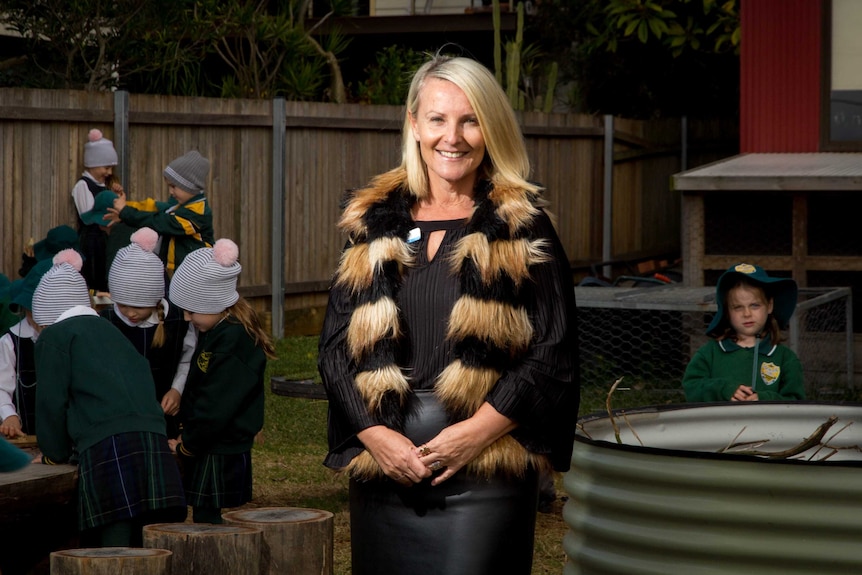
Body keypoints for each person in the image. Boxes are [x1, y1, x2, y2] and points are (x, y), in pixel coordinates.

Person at [317, 54, 579, 575]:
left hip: (486, 468)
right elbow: (335, 349)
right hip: (387, 467)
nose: (452, 137)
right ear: (414, 124)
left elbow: (553, 353)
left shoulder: (521, 226)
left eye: (470, 119)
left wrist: (474, 434)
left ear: (491, 127)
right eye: (438, 118)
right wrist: (375, 436)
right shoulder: (373, 222)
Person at [30, 249, 187, 547]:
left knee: (114, 534)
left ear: (47, 317)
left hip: (108, 442)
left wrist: (54, 452)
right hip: (152, 435)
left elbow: (51, 402)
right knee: (148, 530)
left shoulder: (56, 338)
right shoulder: (110, 329)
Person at [166, 238, 275, 524]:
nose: (188, 318)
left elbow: (216, 405)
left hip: (218, 445)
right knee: (204, 513)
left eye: (192, 311)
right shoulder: (217, 331)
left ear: (214, 302)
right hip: (210, 442)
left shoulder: (231, 342)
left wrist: (187, 444)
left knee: (206, 517)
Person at [101, 227, 196, 439]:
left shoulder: (176, 321)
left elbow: (187, 359)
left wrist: (177, 390)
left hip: (165, 418)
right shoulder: (105, 322)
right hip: (120, 421)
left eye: (139, 307)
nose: (131, 313)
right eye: (123, 305)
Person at [683, 262, 806, 402]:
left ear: (769, 305)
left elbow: (796, 402)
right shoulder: (709, 353)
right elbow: (692, 388)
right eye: (737, 307)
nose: (747, 314)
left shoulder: (785, 358)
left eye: (754, 305)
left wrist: (765, 399)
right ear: (727, 312)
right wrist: (723, 389)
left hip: (767, 424)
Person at [105, 150, 214, 280]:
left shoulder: (197, 213)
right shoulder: (180, 206)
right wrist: (124, 208)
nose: (170, 192)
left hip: (196, 274)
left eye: (173, 186)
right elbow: (153, 207)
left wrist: (125, 212)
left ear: (189, 187)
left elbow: (159, 222)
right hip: (180, 271)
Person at [0, 259, 53, 439]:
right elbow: (1, 387)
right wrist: (9, 415)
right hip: (27, 435)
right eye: (34, 312)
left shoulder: (72, 340)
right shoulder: (10, 341)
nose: (41, 320)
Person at [71, 128, 123, 292]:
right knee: (94, 276)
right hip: (91, 240)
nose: (109, 172)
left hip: (104, 238)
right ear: (93, 164)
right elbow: (89, 214)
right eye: (106, 168)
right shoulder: (83, 185)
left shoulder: (103, 186)